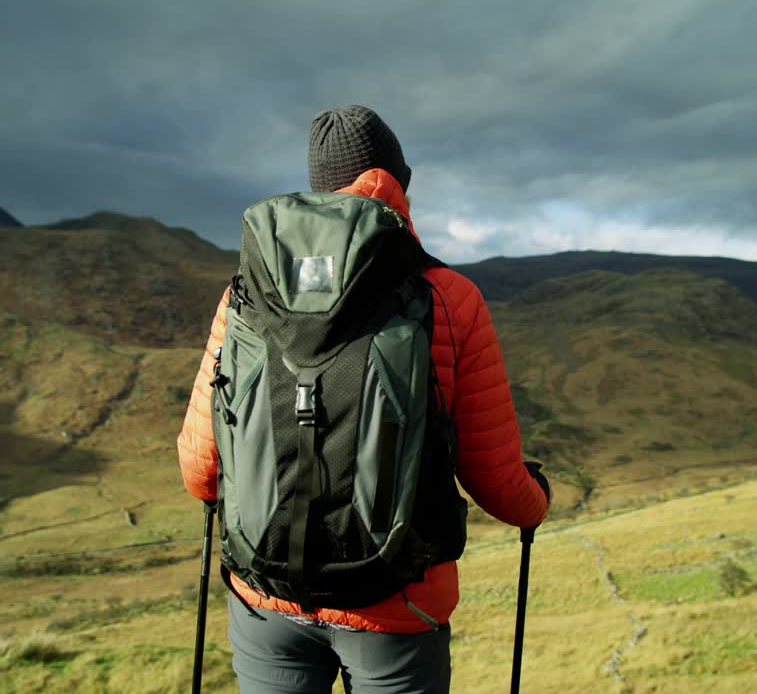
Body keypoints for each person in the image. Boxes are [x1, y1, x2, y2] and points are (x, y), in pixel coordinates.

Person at [177, 104, 551, 694]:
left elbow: (200, 470)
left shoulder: (245, 292)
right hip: (397, 605)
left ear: (317, 188)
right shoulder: (449, 299)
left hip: (265, 598)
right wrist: (536, 504)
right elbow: (496, 480)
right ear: (399, 184)